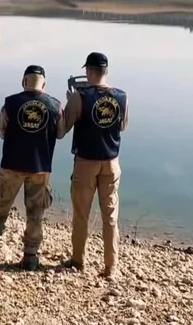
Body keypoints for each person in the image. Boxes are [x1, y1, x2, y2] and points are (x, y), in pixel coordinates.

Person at [0, 65, 67, 271]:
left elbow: (1, 131)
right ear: (43, 84)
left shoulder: (10, 103)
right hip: (40, 167)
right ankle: (30, 257)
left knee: (0, 208)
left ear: (23, 81)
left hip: (11, 164)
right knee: (35, 214)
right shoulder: (55, 106)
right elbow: (61, 133)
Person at [61, 52, 128, 278]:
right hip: (111, 163)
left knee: (82, 214)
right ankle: (111, 267)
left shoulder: (80, 96)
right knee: (110, 217)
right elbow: (123, 126)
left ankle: (78, 260)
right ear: (106, 71)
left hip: (86, 162)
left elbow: (62, 130)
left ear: (89, 71)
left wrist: (69, 103)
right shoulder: (121, 96)